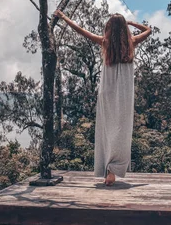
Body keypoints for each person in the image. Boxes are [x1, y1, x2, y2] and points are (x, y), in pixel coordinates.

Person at [54, 9, 151, 186]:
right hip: (124, 94)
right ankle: (113, 168)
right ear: (123, 29)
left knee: (107, 129)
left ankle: (108, 167)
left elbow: (80, 30)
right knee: (122, 130)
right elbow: (148, 30)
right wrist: (130, 23)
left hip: (107, 92)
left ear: (109, 28)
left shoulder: (105, 42)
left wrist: (64, 17)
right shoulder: (132, 43)